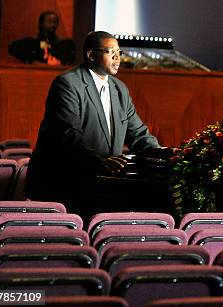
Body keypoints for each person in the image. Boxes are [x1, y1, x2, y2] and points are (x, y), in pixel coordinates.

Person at [26, 31, 160, 217]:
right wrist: (101, 162)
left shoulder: (119, 89)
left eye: (119, 52)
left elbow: (138, 133)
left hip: (103, 185)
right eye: (109, 51)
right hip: (65, 183)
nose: (117, 57)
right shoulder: (67, 84)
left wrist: (162, 153)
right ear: (91, 55)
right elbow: (68, 136)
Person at [9, 10, 76, 65]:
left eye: (55, 22)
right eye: (49, 22)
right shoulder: (33, 42)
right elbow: (12, 48)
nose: (53, 25)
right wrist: (31, 62)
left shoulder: (61, 44)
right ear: (42, 23)